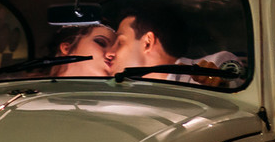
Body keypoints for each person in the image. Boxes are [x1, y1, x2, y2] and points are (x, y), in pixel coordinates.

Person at [109, 5, 242, 86]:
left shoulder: (214, 65)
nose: (110, 52)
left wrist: (218, 84)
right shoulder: (122, 89)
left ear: (147, 42)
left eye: (120, 42)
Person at [48, 23, 117, 77]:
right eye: (101, 43)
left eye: (116, 49)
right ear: (67, 48)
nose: (112, 53)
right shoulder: (39, 91)